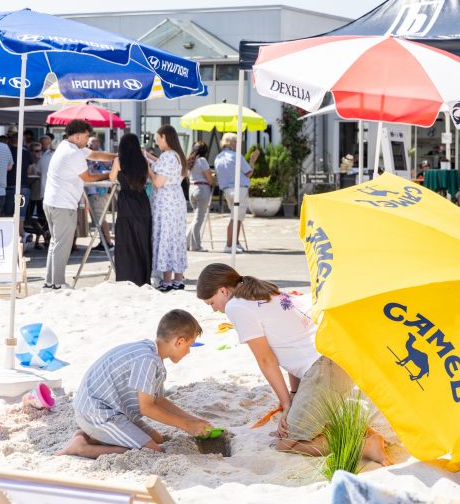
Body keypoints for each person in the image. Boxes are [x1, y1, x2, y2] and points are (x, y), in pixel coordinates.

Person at [196, 263, 391, 465]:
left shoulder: (236, 306)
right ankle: (364, 433)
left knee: (287, 442)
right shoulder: (264, 292)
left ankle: (366, 446)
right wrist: (293, 396)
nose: (214, 309)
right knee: (308, 421)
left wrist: (287, 404)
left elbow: (266, 359)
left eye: (211, 302)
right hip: (338, 358)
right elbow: (292, 345)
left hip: (325, 370)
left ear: (222, 290)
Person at [57, 309, 213, 459]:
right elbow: (147, 408)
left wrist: (193, 420)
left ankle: (87, 437)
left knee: (158, 439)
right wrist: (186, 425)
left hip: (115, 411)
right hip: (97, 413)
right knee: (152, 450)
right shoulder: (147, 360)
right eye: (190, 345)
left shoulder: (152, 354)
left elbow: (159, 401)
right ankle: (81, 448)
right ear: (180, 342)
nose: (189, 351)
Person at [42, 120, 116, 290]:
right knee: (62, 245)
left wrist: (117, 157)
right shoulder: (73, 153)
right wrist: (109, 175)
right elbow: (88, 178)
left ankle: (50, 283)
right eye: (86, 136)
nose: (88, 139)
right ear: (76, 136)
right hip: (63, 204)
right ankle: (58, 284)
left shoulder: (66, 145)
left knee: (56, 243)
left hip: (52, 202)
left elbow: (95, 155)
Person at [147, 124, 188, 292]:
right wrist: (149, 156)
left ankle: (167, 280)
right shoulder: (177, 155)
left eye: (158, 139)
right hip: (176, 201)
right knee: (176, 238)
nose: (157, 143)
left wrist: (148, 169)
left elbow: (158, 182)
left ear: (164, 137)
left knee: (165, 237)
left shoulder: (168, 156)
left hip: (166, 203)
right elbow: (164, 167)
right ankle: (178, 279)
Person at [109, 133, 152, 287]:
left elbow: (112, 178)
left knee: (126, 239)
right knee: (142, 239)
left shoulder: (119, 160)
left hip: (126, 201)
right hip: (142, 201)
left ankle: (127, 275)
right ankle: (144, 277)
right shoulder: (143, 161)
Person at [214, 133, 257, 253]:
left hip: (227, 190)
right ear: (232, 143)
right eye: (237, 142)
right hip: (239, 189)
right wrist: (253, 160)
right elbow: (249, 172)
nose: (239, 144)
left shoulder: (218, 157)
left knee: (236, 217)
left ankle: (235, 242)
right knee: (236, 218)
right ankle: (229, 244)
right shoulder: (235, 156)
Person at [85, 136, 113, 249]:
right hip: (92, 190)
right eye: (88, 143)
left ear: (98, 143)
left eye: (91, 142)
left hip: (99, 191)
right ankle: (103, 241)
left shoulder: (103, 155)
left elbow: (109, 170)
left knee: (100, 217)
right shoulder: (88, 154)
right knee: (96, 218)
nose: (89, 145)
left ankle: (108, 242)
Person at [186, 141, 214, 252]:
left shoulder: (190, 161)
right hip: (202, 189)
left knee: (195, 218)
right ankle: (196, 245)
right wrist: (213, 181)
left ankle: (186, 243)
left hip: (192, 189)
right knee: (199, 219)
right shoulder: (202, 160)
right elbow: (209, 177)